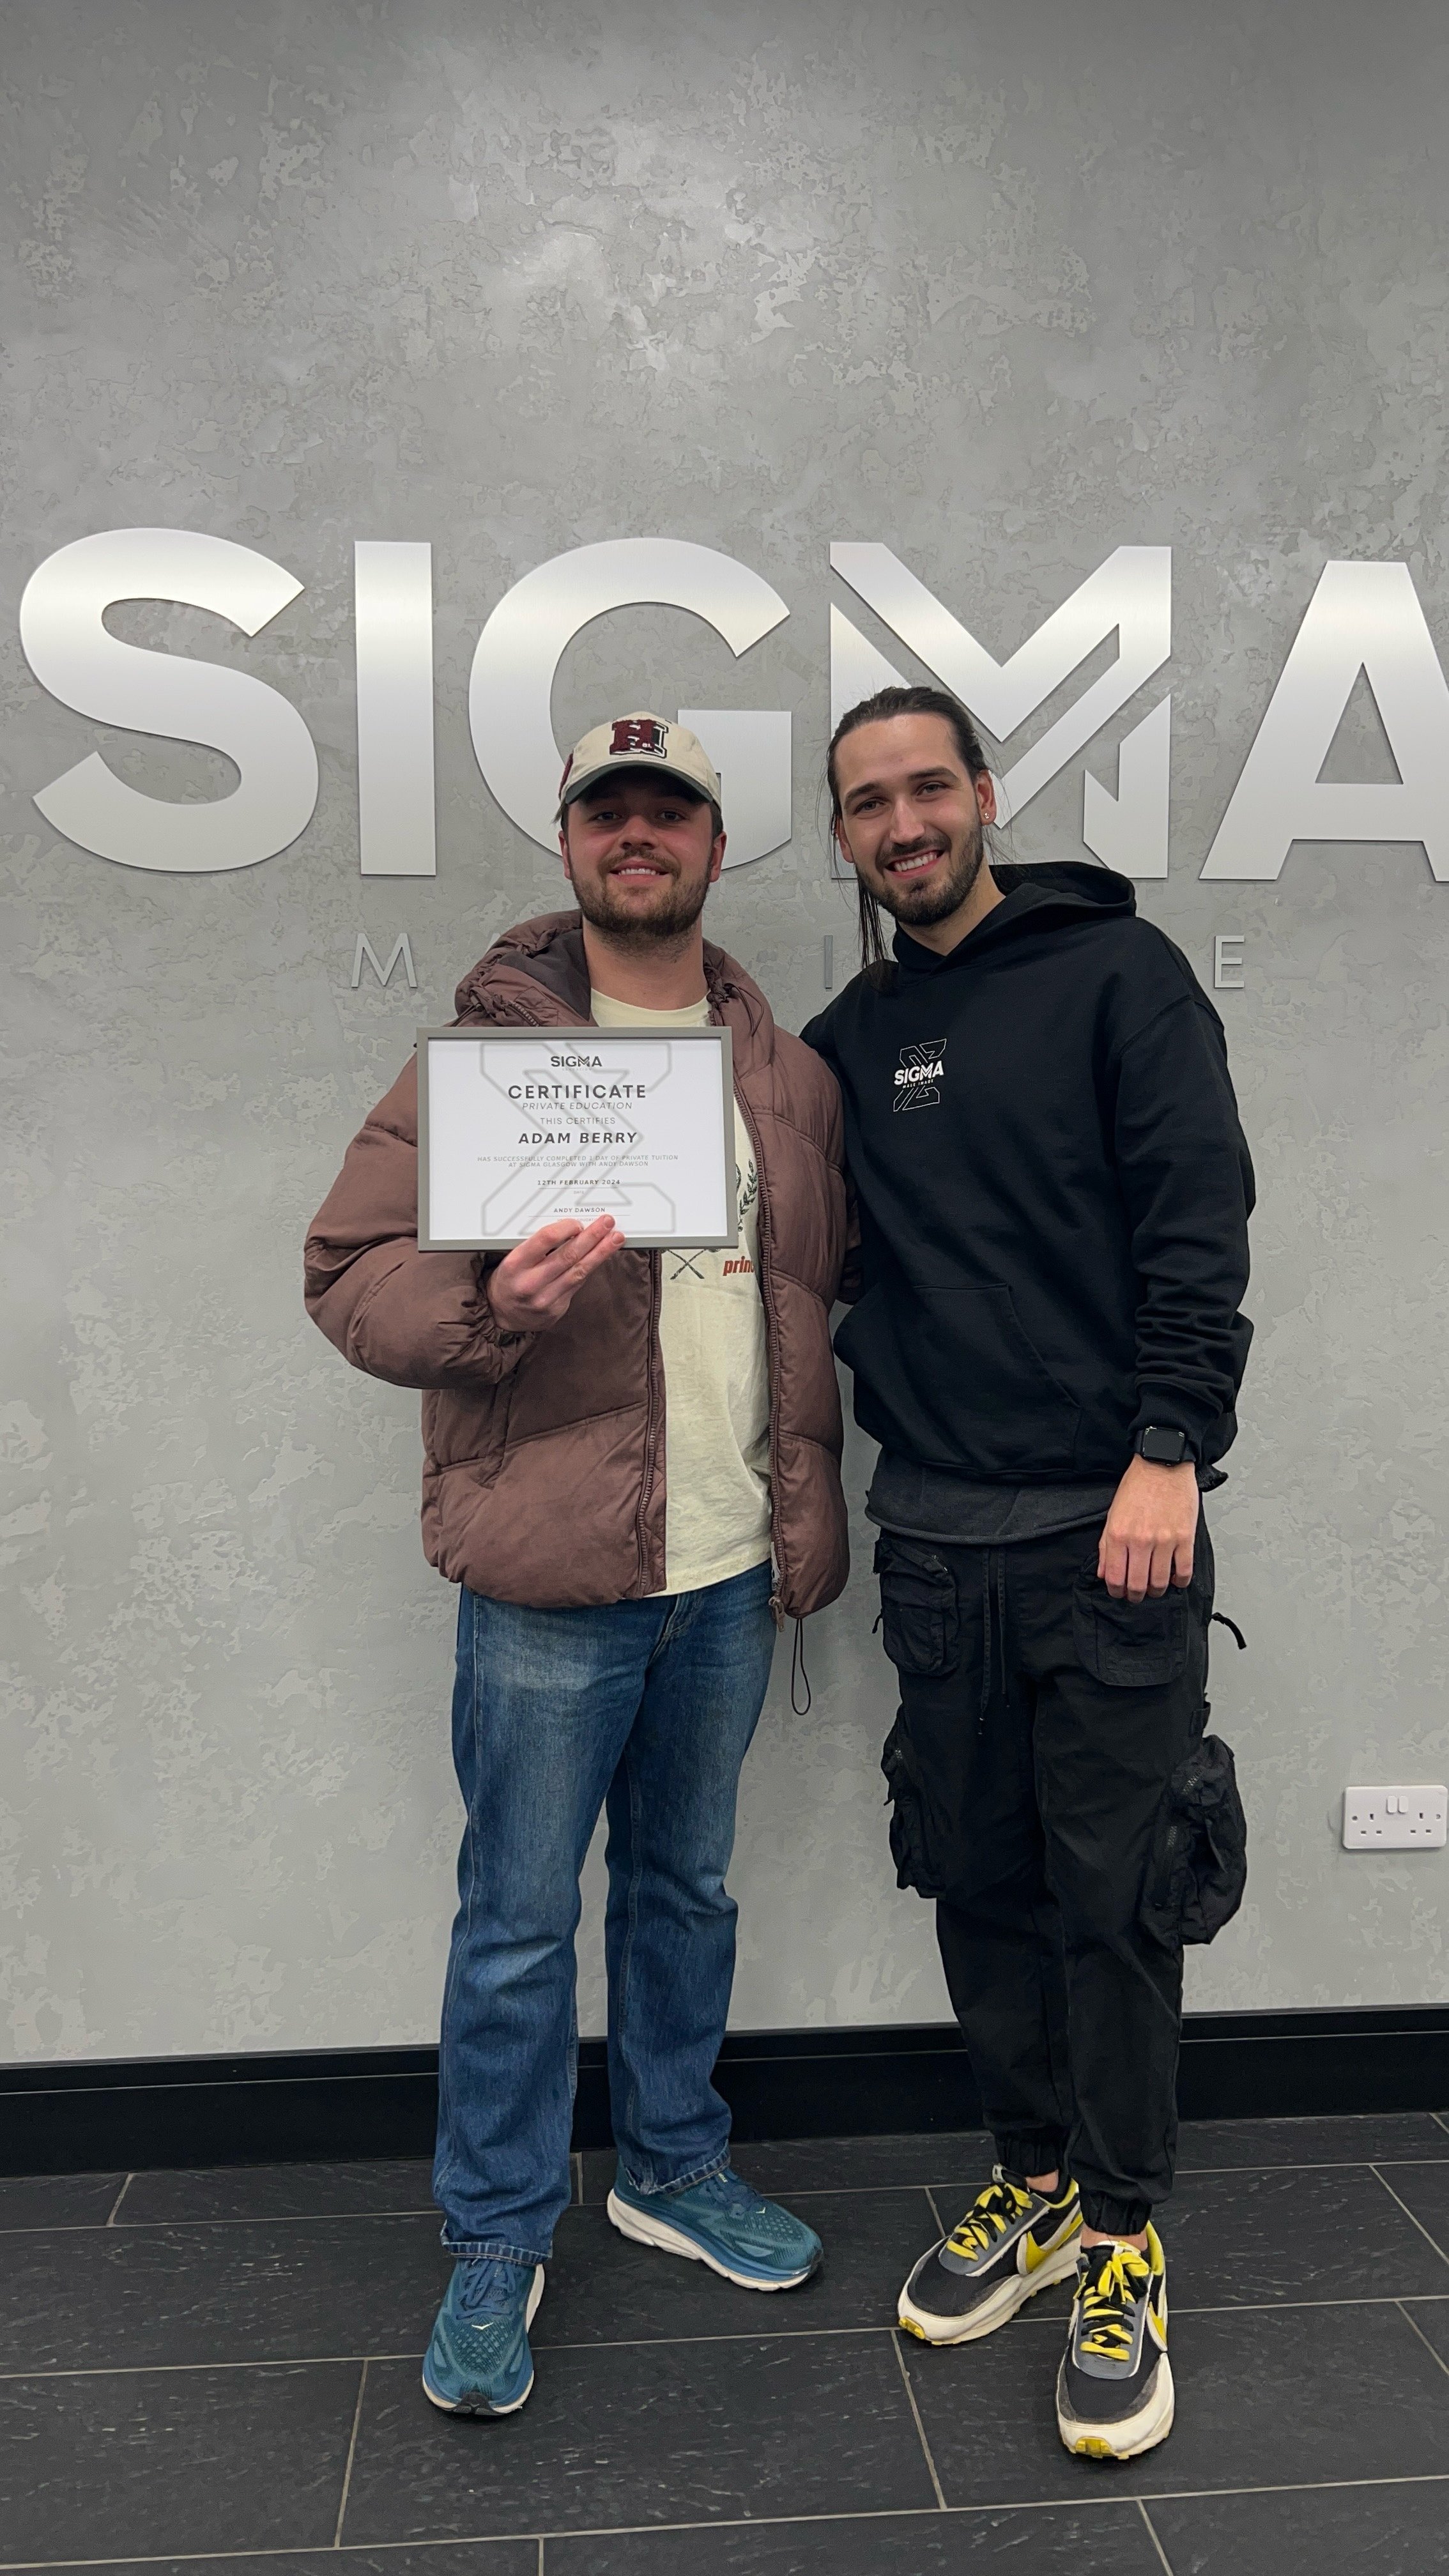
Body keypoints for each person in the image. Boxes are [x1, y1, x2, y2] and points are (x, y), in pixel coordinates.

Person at [305, 712, 849, 2418]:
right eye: (609, 814)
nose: (639, 837)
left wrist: (812, 1503)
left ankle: (672, 2164)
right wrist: (487, 1307)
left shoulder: (786, 1071)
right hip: (545, 1578)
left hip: (720, 1570)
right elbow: (344, 1268)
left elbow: (813, 1302)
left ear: (707, 842)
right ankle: (494, 2230)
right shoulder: (484, 1051)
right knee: (522, 1924)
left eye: (667, 812)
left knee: (688, 1891)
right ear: (569, 845)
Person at [802, 684, 1253, 2464]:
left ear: (982, 796)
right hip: (935, 1541)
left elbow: (1195, 1216)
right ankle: (1036, 2182)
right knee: (976, 1882)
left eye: (926, 789)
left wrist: (1168, 1449)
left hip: (1111, 1528)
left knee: (1114, 1895)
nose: (902, 825)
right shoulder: (845, 1041)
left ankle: (1126, 2243)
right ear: (841, 839)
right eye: (865, 806)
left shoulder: (1116, 980)